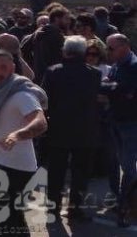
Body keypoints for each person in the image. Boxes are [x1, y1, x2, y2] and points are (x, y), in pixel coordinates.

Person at [0, 49, 48, 237]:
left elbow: (40, 122)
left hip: (14, 167)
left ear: (12, 68)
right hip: (0, 163)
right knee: (9, 221)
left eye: (3, 67)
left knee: (2, 222)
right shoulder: (0, 91)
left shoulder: (21, 95)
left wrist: (17, 135)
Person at [41, 36, 101, 221]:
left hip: (58, 127)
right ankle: (75, 208)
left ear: (65, 51)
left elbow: (44, 99)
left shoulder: (53, 72)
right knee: (80, 172)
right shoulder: (94, 74)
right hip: (85, 129)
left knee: (56, 170)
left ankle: (53, 206)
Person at [105, 34, 137, 227]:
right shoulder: (117, 65)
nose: (108, 51)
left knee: (129, 168)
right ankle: (122, 201)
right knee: (118, 164)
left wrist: (110, 89)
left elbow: (127, 92)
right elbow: (113, 87)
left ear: (124, 46)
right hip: (116, 121)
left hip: (131, 123)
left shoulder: (134, 66)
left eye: (111, 48)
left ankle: (125, 207)